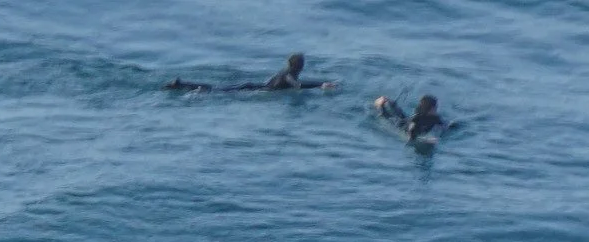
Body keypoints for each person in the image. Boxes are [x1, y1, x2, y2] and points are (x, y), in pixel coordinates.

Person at [166, 53, 336, 93]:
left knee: (217, 89)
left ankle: (181, 84)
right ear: (300, 65)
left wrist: (319, 83)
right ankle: (182, 85)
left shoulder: (286, 71)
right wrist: (320, 84)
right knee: (216, 90)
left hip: (254, 86)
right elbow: (297, 85)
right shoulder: (290, 74)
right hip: (254, 89)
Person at [374, 93, 453, 141]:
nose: (437, 108)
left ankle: (390, 103)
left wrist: (450, 126)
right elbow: (410, 136)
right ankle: (380, 105)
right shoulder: (416, 120)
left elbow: (443, 125)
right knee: (390, 117)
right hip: (402, 126)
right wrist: (426, 140)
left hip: (408, 121)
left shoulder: (435, 117)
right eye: (435, 107)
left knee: (401, 115)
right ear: (430, 109)